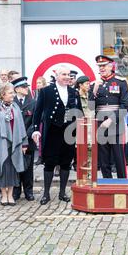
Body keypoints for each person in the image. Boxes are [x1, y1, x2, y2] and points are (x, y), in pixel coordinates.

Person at [32, 65, 83, 205]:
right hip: (52, 131)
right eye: (64, 74)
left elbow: (79, 113)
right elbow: (37, 112)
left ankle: (62, 192)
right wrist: (36, 129)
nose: (67, 77)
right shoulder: (46, 91)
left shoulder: (74, 92)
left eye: (68, 75)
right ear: (56, 76)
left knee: (66, 162)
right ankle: (46, 193)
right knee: (49, 163)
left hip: (69, 132)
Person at [0, 83, 28, 206]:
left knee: (13, 170)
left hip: (14, 144)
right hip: (0, 144)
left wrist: (24, 144)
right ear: (2, 94)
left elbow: (21, 127)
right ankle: (4, 195)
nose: (13, 95)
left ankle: (11, 195)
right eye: (10, 93)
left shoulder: (15, 107)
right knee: (2, 170)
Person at [89, 55, 128, 179]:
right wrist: (94, 90)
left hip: (116, 124)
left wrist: (111, 119)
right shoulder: (94, 85)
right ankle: (107, 183)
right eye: (99, 66)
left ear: (111, 66)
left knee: (119, 158)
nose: (101, 68)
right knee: (103, 159)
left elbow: (125, 105)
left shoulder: (120, 82)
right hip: (100, 126)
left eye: (104, 66)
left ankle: (123, 183)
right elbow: (91, 107)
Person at [11, 77, 36, 202]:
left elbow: (34, 121)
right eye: (24, 87)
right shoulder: (11, 102)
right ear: (17, 89)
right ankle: (16, 191)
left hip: (28, 140)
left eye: (27, 86)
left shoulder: (32, 102)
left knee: (28, 167)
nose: (27, 89)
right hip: (14, 141)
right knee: (15, 166)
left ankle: (28, 191)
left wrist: (26, 136)